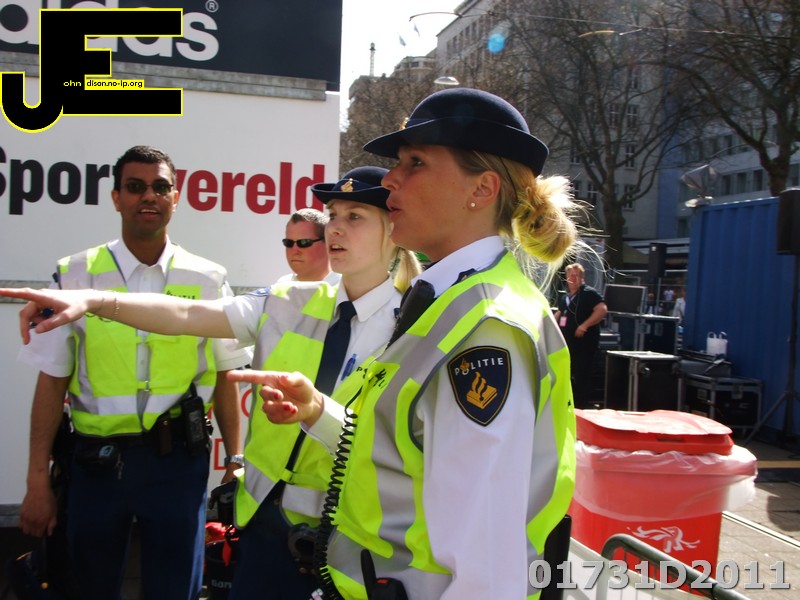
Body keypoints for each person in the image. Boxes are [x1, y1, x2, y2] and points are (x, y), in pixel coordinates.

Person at [1, 166, 421, 599]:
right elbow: (186, 314)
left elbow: (396, 449)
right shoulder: (288, 300)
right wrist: (95, 300)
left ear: (393, 230)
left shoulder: (413, 328)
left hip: (348, 541)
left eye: (355, 217)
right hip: (266, 530)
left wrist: (317, 413)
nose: (335, 228)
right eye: (332, 214)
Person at [232, 87, 585, 598]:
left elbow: (484, 565)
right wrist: (318, 412)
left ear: (481, 189)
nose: (390, 179)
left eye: (415, 163)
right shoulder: (449, 302)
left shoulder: (487, 326)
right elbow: (404, 457)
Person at [14, 145, 249, 600]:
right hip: (97, 466)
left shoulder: (207, 277)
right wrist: (36, 480)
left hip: (178, 465)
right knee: (88, 589)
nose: (149, 196)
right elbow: (51, 380)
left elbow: (225, 376)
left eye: (160, 187)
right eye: (136, 186)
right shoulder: (75, 273)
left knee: (175, 591)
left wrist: (235, 460)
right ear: (116, 197)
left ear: (175, 197)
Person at [554, 263, 608, 408]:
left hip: (583, 345)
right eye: (570, 275)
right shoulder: (565, 297)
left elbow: (602, 309)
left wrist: (584, 325)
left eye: (576, 275)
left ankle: (581, 406)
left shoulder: (589, 293)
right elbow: (559, 313)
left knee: (581, 376)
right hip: (567, 344)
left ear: (582, 277)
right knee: (567, 375)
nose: (573, 278)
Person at [276, 208, 340, 284]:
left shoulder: (345, 287)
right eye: (289, 242)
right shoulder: (281, 285)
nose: (294, 250)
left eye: (303, 242)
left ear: (328, 243)